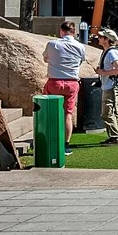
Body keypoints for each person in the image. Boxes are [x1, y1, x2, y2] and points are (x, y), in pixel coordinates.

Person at [41, 19, 85, 153]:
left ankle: (50, 140)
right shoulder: (80, 46)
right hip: (71, 83)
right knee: (68, 114)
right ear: (74, 32)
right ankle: (66, 145)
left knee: (50, 111)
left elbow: (45, 58)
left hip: (54, 81)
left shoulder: (52, 44)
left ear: (61, 31)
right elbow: (80, 61)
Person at [94, 29, 118, 146]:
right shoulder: (108, 51)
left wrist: (103, 72)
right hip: (110, 85)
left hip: (110, 86)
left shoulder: (111, 52)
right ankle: (115, 136)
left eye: (101, 37)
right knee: (114, 112)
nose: (98, 38)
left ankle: (115, 137)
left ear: (107, 40)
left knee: (107, 113)